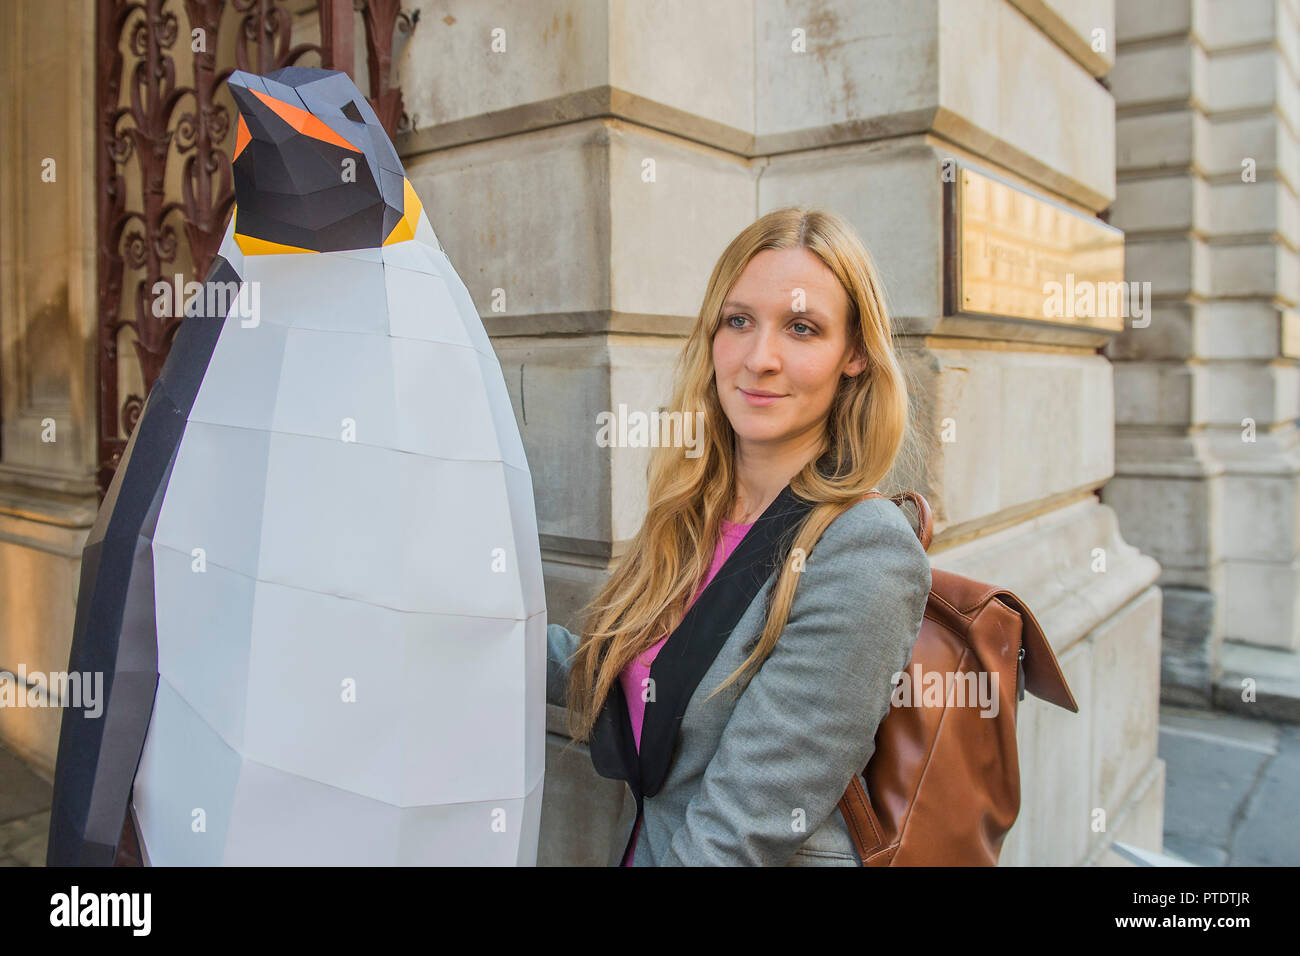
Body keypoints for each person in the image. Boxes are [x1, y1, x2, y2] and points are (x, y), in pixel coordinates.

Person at [545, 206, 931, 866]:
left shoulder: (865, 551)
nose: (759, 359)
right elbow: (628, 681)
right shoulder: (695, 513)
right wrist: (467, 624)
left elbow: (739, 834)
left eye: (802, 328)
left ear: (855, 356)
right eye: (739, 321)